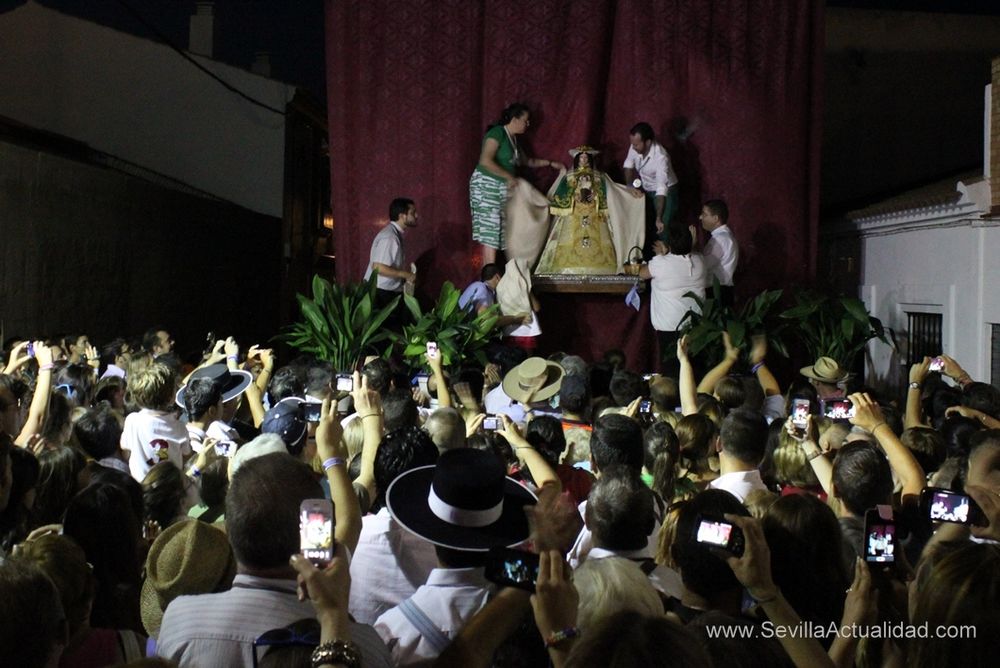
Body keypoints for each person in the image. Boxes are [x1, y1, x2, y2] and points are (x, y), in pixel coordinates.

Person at [469, 103, 562, 265]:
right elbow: (485, 160)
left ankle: (493, 275)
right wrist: (509, 177)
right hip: (487, 186)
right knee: (490, 233)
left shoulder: (514, 142)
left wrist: (550, 163)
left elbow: (528, 161)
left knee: (501, 233)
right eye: (525, 120)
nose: (528, 124)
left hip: (502, 190)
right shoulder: (497, 133)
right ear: (514, 119)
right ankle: (488, 277)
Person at [535, 146, 644, 275]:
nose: (584, 160)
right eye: (581, 157)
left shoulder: (599, 176)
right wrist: (573, 195)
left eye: (586, 158)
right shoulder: (570, 176)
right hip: (573, 213)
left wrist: (597, 196)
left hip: (595, 214)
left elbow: (613, 190)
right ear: (577, 159)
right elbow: (562, 194)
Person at [639, 223, 707, 376]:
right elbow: (690, 254)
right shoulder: (700, 261)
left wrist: (661, 254)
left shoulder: (661, 263)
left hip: (670, 327)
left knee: (673, 372)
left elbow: (642, 273)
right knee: (695, 369)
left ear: (669, 243)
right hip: (696, 325)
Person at [623, 122, 679, 246]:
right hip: (647, 189)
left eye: (636, 144)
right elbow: (628, 165)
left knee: (662, 227)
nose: (633, 147)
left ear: (648, 142)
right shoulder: (634, 145)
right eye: (632, 143)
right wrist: (629, 186)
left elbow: (661, 189)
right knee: (646, 225)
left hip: (666, 192)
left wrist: (659, 217)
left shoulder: (660, 157)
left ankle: (664, 260)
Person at [364, 197, 418, 319]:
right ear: (402, 216)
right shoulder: (390, 236)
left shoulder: (394, 234)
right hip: (380, 293)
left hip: (385, 292)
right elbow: (378, 267)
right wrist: (407, 275)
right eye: (413, 212)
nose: (416, 215)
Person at [698, 199, 739, 306]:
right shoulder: (723, 237)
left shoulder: (720, 240)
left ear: (716, 218)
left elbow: (702, 265)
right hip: (721, 290)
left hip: (717, 292)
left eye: (704, 214)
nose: (700, 217)